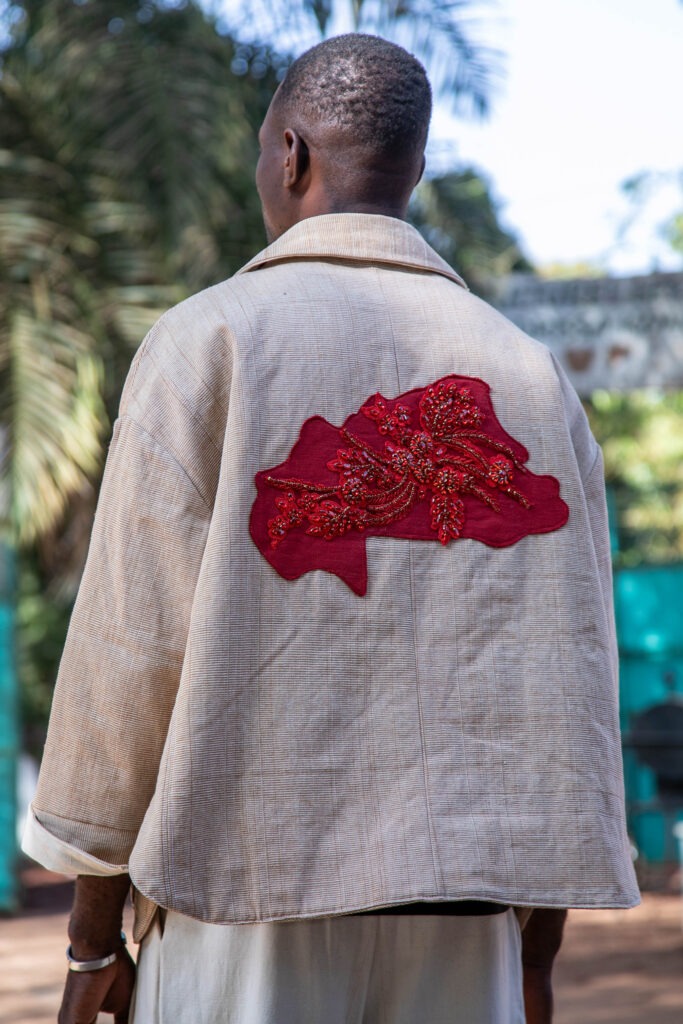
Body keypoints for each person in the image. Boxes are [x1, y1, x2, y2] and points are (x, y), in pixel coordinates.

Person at [23, 33, 639, 1024]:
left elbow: (129, 661)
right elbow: (565, 666)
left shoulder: (209, 341)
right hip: (465, 922)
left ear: (292, 155)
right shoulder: (527, 376)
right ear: (415, 172)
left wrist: (94, 936)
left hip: (245, 910)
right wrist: (533, 946)